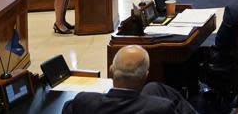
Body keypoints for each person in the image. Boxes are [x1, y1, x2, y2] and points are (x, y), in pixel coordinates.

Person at [62, 45, 196, 114]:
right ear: (145, 75)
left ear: (111, 71)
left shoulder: (83, 101)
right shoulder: (161, 107)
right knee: (155, 88)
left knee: (154, 88)